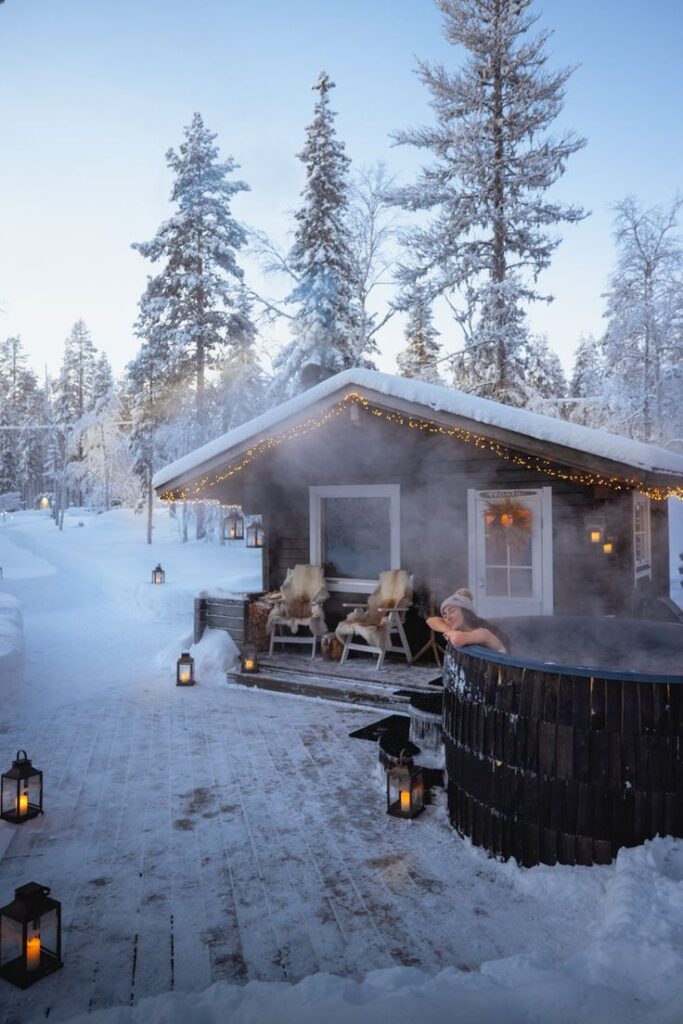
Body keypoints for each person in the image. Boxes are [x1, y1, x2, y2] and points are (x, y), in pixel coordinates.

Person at [426, 588, 509, 653]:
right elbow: (430, 621)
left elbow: (456, 639)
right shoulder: (457, 628)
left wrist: (449, 631)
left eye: (452, 611)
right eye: (444, 614)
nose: (448, 617)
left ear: (465, 613)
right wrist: (447, 629)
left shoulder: (483, 633)